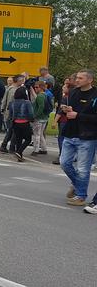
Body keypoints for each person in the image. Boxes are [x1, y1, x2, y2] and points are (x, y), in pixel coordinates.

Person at [58, 70, 97, 206]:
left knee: (83, 169)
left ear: (90, 80)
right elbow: (73, 110)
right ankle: (77, 185)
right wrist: (66, 109)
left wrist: (78, 115)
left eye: (81, 78)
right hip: (70, 133)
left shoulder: (95, 95)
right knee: (64, 163)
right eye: (77, 78)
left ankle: (81, 195)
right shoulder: (74, 92)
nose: (77, 80)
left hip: (87, 136)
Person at [0, 74, 25, 153]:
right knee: (13, 131)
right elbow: (11, 103)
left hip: (9, 113)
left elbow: (4, 100)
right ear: (18, 81)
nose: (23, 82)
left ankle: (5, 146)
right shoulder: (14, 90)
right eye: (22, 80)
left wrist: (2, 109)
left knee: (11, 131)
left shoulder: (10, 88)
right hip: (12, 114)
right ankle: (10, 147)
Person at [8, 87, 34, 162]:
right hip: (24, 122)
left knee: (18, 139)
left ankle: (19, 156)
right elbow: (31, 113)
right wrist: (31, 119)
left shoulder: (12, 102)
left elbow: (10, 114)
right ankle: (19, 152)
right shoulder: (27, 102)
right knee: (28, 139)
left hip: (15, 123)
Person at [51, 84, 71, 165]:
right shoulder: (73, 98)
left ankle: (62, 156)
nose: (62, 88)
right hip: (71, 121)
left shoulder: (65, 98)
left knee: (61, 138)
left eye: (64, 87)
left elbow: (60, 111)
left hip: (63, 120)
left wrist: (55, 121)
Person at [31, 80, 50, 155]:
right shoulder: (45, 95)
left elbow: (40, 107)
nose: (35, 89)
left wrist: (35, 116)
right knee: (41, 134)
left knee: (36, 134)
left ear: (41, 87)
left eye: (36, 87)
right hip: (44, 117)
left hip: (39, 118)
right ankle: (44, 148)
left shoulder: (40, 96)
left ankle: (35, 150)